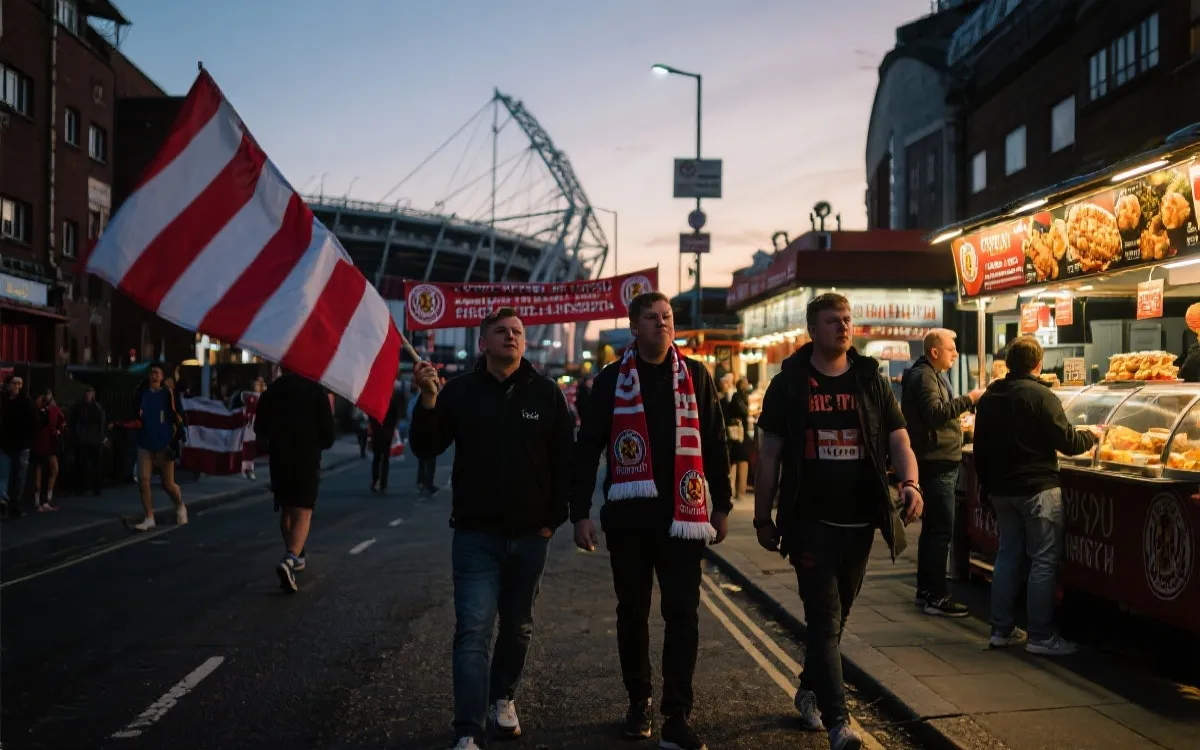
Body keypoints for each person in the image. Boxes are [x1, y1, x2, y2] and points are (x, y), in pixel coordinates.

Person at [752, 292, 922, 750]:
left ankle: (809, 689)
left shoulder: (870, 378)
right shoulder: (788, 382)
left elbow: (898, 436)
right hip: (809, 521)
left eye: (847, 320)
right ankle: (838, 723)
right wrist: (761, 515)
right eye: (833, 321)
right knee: (825, 620)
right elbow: (769, 454)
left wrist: (910, 482)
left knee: (838, 616)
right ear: (813, 328)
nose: (843, 327)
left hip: (860, 521)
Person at [572, 292, 732, 750]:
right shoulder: (610, 381)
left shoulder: (695, 376)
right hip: (629, 519)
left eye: (667, 317)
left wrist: (720, 506)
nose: (662, 324)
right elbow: (588, 449)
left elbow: (715, 442)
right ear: (634, 326)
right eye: (651, 318)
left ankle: (677, 713)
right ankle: (638, 700)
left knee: (683, 613)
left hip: (684, 517)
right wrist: (579, 512)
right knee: (633, 612)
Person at [409, 307, 573, 750]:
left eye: (517, 331)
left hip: (529, 536)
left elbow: (565, 460)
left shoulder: (546, 394)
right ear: (483, 343)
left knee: (518, 626)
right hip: (475, 535)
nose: (511, 337)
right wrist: (427, 400)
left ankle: (502, 697)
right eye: (500, 331)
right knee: (473, 629)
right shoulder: (460, 392)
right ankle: (467, 730)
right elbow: (425, 445)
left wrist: (553, 518)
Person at [974, 336, 1099, 657]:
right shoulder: (1042, 395)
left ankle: (1001, 630)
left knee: (1007, 557)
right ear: (1038, 364)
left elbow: (980, 449)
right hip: (1037, 490)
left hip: (1002, 490)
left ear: (1009, 363)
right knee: (1043, 560)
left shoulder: (989, 397)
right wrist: (1094, 434)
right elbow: (1069, 442)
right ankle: (1041, 636)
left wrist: (987, 488)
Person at [901, 328, 984, 617]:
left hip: (937, 458)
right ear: (934, 351)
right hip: (936, 462)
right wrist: (970, 399)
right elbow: (935, 413)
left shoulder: (931, 374)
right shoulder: (924, 376)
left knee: (934, 530)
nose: (956, 354)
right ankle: (936, 596)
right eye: (951, 349)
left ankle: (926, 591)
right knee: (939, 532)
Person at [254, 368, 336, 593]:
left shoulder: (272, 391)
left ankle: (296, 554)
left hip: (279, 458)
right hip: (306, 458)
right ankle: (290, 558)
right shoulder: (316, 392)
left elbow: (258, 428)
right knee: (303, 509)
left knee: (287, 508)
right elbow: (329, 435)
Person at [131, 363, 187, 532]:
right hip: (145, 442)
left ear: (162, 376)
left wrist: (177, 438)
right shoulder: (142, 393)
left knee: (167, 484)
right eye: (152, 372)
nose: (154, 375)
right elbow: (134, 413)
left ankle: (180, 505)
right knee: (144, 481)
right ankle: (149, 517)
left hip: (164, 443)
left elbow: (177, 416)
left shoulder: (167, 394)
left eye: (157, 372)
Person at [0, 375, 37, 517]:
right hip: (5, 444)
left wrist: (28, 440)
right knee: (3, 476)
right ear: (8, 385)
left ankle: (15, 505)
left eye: (19, 383)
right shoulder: (3, 400)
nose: (17, 386)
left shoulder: (26, 402)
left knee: (19, 477)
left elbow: (34, 423)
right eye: (14, 383)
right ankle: (3, 503)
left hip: (21, 445)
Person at [31, 388, 66, 511]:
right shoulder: (36, 410)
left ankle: (47, 499)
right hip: (39, 442)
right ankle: (37, 500)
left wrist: (59, 430)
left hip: (50, 442)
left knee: (53, 468)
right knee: (39, 470)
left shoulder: (54, 409)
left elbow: (62, 421)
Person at [720, 374, 752, 502]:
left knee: (735, 460)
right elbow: (743, 412)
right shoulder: (737, 396)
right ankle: (737, 491)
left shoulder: (734, 396)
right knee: (739, 460)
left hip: (736, 433)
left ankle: (735, 491)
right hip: (738, 434)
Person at [70, 386, 108, 496]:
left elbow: (101, 423)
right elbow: (73, 422)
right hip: (82, 440)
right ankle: (81, 487)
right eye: (86, 392)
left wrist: (100, 438)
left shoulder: (97, 408)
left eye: (89, 392)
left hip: (93, 440)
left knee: (95, 465)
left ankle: (96, 487)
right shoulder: (79, 407)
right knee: (81, 465)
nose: (87, 395)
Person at [368, 383, 405, 493]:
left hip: (377, 431)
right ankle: (383, 483)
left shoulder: (376, 400)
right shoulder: (391, 400)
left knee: (376, 458)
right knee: (385, 459)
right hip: (387, 432)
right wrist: (392, 428)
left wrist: (373, 426)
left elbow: (371, 415)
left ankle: (375, 481)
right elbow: (396, 416)